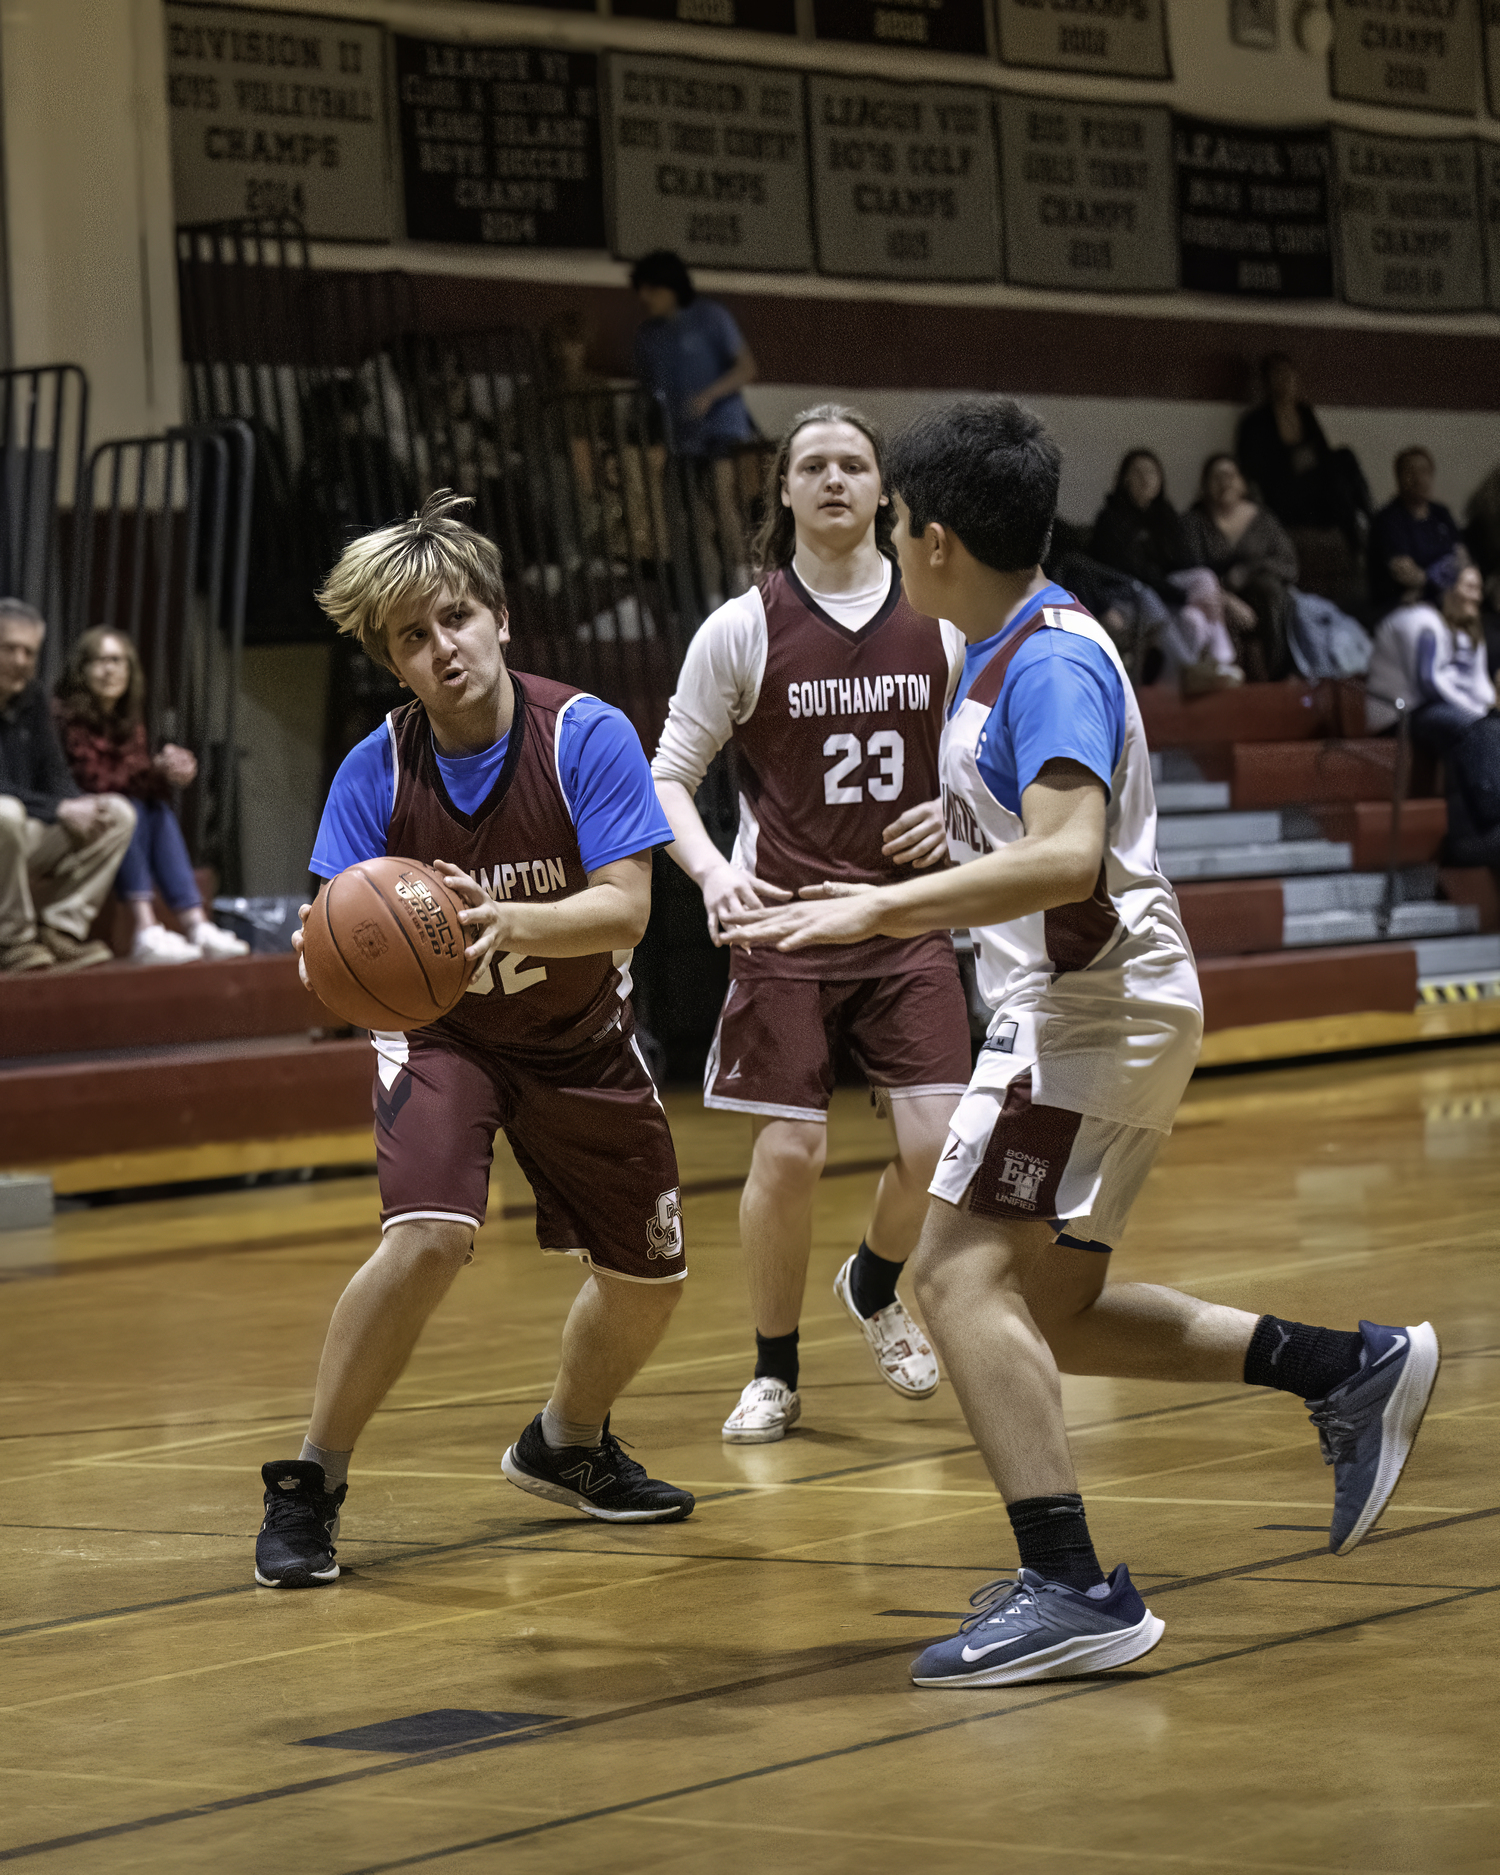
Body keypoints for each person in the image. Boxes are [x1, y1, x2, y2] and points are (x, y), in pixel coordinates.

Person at [721, 396, 1439, 1688]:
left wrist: (883, 902)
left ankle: (1071, 1585)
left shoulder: (1045, 658)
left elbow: (1065, 854)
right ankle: (1348, 1366)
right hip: (1098, 1010)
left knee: (950, 1280)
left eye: (895, 520)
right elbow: (1043, 836)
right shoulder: (999, 645)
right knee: (1048, 1306)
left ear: (934, 538)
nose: (886, 538)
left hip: (1082, 1018)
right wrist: (952, 844)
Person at [254, 491, 694, 1590]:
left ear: (499, 616)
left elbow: (628, 909)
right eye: (411, 635)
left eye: (454, 618)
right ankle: (310, 1481)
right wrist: (333, 960)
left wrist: (505, 919)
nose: (440, 648)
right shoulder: (377, 770)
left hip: (581, 1033)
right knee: (431, 1238)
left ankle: (566, 1442)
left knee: (652, 1281)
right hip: (444, 1033)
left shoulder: (586, 733)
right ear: (391, 660)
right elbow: (334, 938)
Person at [651, 404, 972, 1444]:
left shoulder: (945, 623)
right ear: (783, 492)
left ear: (886, 494)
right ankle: (774, 1371)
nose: (835, 480)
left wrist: (957, 810)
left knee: (939, 1149)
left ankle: (874, 1284)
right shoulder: (742, 625)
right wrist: (706, 872)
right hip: (786, 923)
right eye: (813, 466)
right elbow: (667, 776)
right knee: (788, 1153)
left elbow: (990, 765)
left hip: (905, 919)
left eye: (855, 465)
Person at [53, 627, 249, 963]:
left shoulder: (127, 719)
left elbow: (138, 781)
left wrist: (170, 770)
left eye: (118, 661)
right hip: (75, 822)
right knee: (128, 808)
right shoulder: (65, 715)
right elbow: (95, 780)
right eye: (100, 661)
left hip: (119, 818)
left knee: (155, 809)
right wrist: (155, 770)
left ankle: (196, 925)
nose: (110, 669)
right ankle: (145, 928)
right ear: (81, 670)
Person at [0, 599, 133, 976]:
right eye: (11, 649)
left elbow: (55, 775)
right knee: (5, 813)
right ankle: (11, 942)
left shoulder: (33, 698)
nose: (22, 660)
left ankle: (60, 928)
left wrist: (78, 806)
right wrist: (58, 809)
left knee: (117, 813)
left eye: (30, 652)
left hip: (22, 832)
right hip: (7, 825)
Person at [631, 250, 760, 598]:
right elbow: (647, 389)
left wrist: (708, 396)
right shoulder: (647, 336)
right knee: (695, 521)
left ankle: (741, 580)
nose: (645, 298)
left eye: (651, 289)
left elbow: (746, 368)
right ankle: (713, 598)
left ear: (671, 287)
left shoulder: (710, 317)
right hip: (681, 438)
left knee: (721, 500)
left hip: (722, 428)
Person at [1090, 450, 1244, 691]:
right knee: (1173, 609)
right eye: (1137, 472)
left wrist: (1217, 593)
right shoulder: (1110, 519)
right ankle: (1189, 670)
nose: (1145, 478)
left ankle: (1222, 660)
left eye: (1151, 472)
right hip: (1130, 592)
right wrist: (1185, 597)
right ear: (1124, 479)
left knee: (1203, 583)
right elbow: (1137, 573)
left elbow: (1184, 564)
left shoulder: (1166, 517)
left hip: (1163, 590)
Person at [1180, 454, 1299, 680]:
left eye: (1230, 475)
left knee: (1271, 589)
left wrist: (1247, 572)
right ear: (1205, 486)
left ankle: (1279, 677)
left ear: (1242, 483)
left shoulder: (1264, 520)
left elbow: (1289, 566)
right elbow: (1192, 570)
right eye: (1216, 477)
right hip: (1213, 597)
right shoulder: (1193, 523)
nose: (1224, 482)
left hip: (1262, 600)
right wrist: (1228, 599)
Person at [1235, 352, 1369, 550]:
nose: (1284, 381)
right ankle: (1358, 531)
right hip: (1284, 495)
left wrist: (1306, 460)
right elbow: (1252, 468)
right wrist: (1290, 461)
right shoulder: (1255, 421)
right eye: (1277, 375)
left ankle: (1368, 517)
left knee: (1343, 460)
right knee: (1337, 474)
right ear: (1266, 382)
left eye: (1288, 375)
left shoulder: (1305, 413)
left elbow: (1323, 454)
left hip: (1315, 490)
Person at [1367, 447, 1463, 619]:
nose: (1419, 479)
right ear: (1398, 477)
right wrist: (1444, 576)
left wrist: (1432, 580)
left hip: (1444, 599)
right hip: (1401, 606)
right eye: (1410, 472)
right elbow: (1406, 574)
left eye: (1424, 471)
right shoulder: (1388, 519)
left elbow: (1463, 559)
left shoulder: (1441, 513)